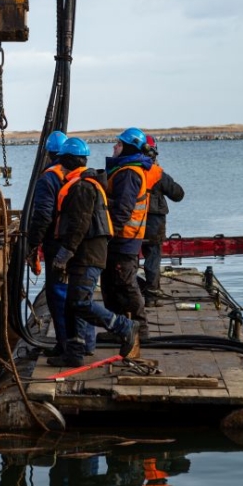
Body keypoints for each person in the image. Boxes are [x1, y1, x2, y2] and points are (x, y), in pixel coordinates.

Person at [49, 137, 141, 367]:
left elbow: (79, 224)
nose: (58, 165)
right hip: (86, 253)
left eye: (61, 161)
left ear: (68, 160)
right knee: (72, 303)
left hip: (87, 255)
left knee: (80, 302)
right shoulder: (81, 183)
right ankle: (74, 352)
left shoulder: (81, 186)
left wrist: (65, 253)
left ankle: (124, 326)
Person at [25, 130, 72, 356]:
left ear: (50, 154)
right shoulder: (76, 176)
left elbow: (43, 214)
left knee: (57, 295)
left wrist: (33, 243)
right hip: (74, 244)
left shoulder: (49, 178)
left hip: (55, 243)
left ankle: (65, 345)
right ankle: (77, 342)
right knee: (74, 294)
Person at [100, 127, 151, 325]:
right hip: (123, 238)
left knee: (125, 283)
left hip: (124, 238)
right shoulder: (124, 170)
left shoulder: (129, 173)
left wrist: (107, 234)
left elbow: (123, 210)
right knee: (113, 283)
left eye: (119, 144)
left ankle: (139, 327)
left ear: (128, 148)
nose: (114, 146)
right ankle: (120, 328)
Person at [141, 135, 185, 303]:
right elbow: (178, 194)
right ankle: (152, 294)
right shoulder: (157, 173)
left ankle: (136, 294)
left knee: (129, 259)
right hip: (154, 223)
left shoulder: (126, 170)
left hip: (131, 222)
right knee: (153, 256)